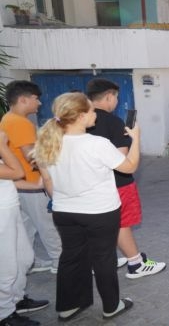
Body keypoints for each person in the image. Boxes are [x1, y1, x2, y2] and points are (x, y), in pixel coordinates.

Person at [33, 92, 138, 321]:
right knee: (103, 258)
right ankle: (112, 306)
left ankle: (69, 306)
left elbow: (48, 181)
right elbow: (128, 167)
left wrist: (65, 199)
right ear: (80, 116)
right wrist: (135, 139)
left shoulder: (48, 142)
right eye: (91, 111)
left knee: (71, 257)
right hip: (99, 211)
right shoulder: (97, 144)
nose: (94, 115)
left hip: (64, 211)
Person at [86, 79, 166, 280]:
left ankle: (102, 261)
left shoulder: (77, 121)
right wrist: (135, 139)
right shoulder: (113, 122)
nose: (116, 101)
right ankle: (136, 263)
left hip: (89, 184)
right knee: (121, 223)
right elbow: (121, 160)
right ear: (108, 96)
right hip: (117, 183)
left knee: (100, 224)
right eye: (116, 97)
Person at [0, 81, 62, 275]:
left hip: (19, 186)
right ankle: (60, 262)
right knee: (48, 226)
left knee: (26, 228)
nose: (39, 103)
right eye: (36, 99)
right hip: (33, 183)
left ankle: (28, 262)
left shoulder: (7, 119)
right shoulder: (21, 123)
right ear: (23, 99)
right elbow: (31, 155)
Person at [0, 130, 46, 326]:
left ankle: (15, 301)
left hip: (10, 208)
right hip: (2, 214)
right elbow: (16, 172)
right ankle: (4, 314)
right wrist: (2, 145)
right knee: (6, 267)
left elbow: (9, 179)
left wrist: (38, 185)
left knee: (25, 258)